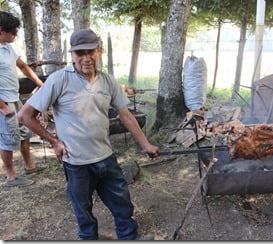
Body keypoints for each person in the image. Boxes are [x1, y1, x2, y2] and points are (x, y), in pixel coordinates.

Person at [17, 28, 160, 240]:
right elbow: (25, 115)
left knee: (122, 204)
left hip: (105, 157)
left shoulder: (107, 81)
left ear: (99, 51)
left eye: (91, 51)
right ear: (72, 55)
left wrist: (145, 144)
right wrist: (53, 142)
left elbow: (126, 115)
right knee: (83, 211)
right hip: (76, 162)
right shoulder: (59, 80)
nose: (86, 58)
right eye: (79, 53)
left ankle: (129, 238)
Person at [0, 11, 45, 187]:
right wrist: (2, 106)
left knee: (25, 132)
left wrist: (41, 83)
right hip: (4, 101)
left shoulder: (8, 48)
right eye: (13, 32)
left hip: (15, 98)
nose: (15, 35)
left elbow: (24, 67)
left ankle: (30, 166)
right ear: (1, 30)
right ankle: (11, 176)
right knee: (8, 137)